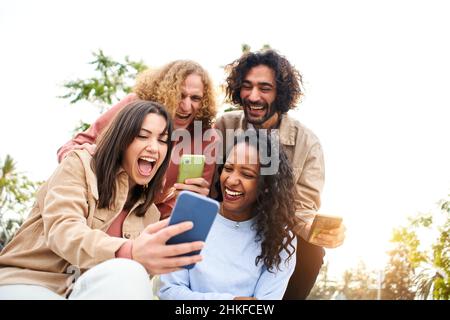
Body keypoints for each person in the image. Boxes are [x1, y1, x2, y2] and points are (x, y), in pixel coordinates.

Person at [0, 100, 204, 299]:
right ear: (121, 140)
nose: (153, 147)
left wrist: (188, 211)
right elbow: (63, 230)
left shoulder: (150, 212)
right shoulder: (79, 164)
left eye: (162, 140)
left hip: (86, 290)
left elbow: (131, 282)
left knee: (131, 273)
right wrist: (128, 250)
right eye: (143, 136)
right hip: (31, 281)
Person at [214, 49, 346, 299]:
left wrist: (317, 230)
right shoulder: (224, 127)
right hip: (228, 222)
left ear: (280, 94)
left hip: (271, 228)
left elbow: (303, 208)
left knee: (311, 250)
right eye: (247, 86)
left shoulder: (307, 143)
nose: (253, 96)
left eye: (264, 88)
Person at [57, 60, 219, 218]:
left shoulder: (206, 137)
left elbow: (187, 203)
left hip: (145, 220)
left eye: (195, 98)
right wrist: (83, 164)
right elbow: (72, 147)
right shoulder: (134, 107)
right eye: (180, 95)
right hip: (98, 205)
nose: (186, 106)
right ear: (165, 92)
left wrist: (191, 202)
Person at [158, 132, 297, 299]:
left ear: (266, 185)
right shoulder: (191, 219)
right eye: (228, 168)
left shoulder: (279, 237)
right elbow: (169, 291)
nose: (231, 180)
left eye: (247, 174)